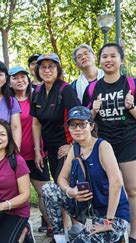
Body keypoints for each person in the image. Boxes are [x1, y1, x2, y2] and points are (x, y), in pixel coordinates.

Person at [31, 106, 131, 243]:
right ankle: (60, 242)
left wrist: (108, 222)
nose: (77, 129)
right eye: (73, 125)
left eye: (82, 124)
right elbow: (61, 178)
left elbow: (117, 183)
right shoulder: (75, 148)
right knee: (48, 189)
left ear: (91, 126)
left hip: (113, 216)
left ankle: (118, 239)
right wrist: (70, 191)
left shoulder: (102, 146)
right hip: (88, 210)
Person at [82, 43, 136, 243]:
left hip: (131, 143)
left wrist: (131, 107)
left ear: (121, 60)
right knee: (109, 189)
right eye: (104, 56)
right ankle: (113, 233)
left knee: (133, 190)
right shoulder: (92, 88)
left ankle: (134, 237)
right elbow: (85, 122)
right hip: (104, 146)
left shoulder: (133, 84)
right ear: (99, 61)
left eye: (113, 56)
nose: (108, 60)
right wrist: (92, 111)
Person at [8, 66, 52, 236]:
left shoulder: (37, 98)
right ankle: (18, 230)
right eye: (15, 78)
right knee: (16, 195)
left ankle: (51, 226)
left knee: (45, 193)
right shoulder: (7, 101)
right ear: (9, 82)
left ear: (28, 79)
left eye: (22, 77)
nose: (20, 81)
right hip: (13, 156)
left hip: (36, 155)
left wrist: (39, 151)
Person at [31, 53, 80, 182]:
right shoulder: (37, 92)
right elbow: (36, 123)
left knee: (66, 184)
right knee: (58, 185)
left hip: (65, 147)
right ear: (38, 70)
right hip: (50, 148)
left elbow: (79, 118)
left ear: (58, 69)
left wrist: (72, 145)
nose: (47, 70)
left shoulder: (65, 90)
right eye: (43, 67)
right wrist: (37, 151)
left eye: (51, 66)